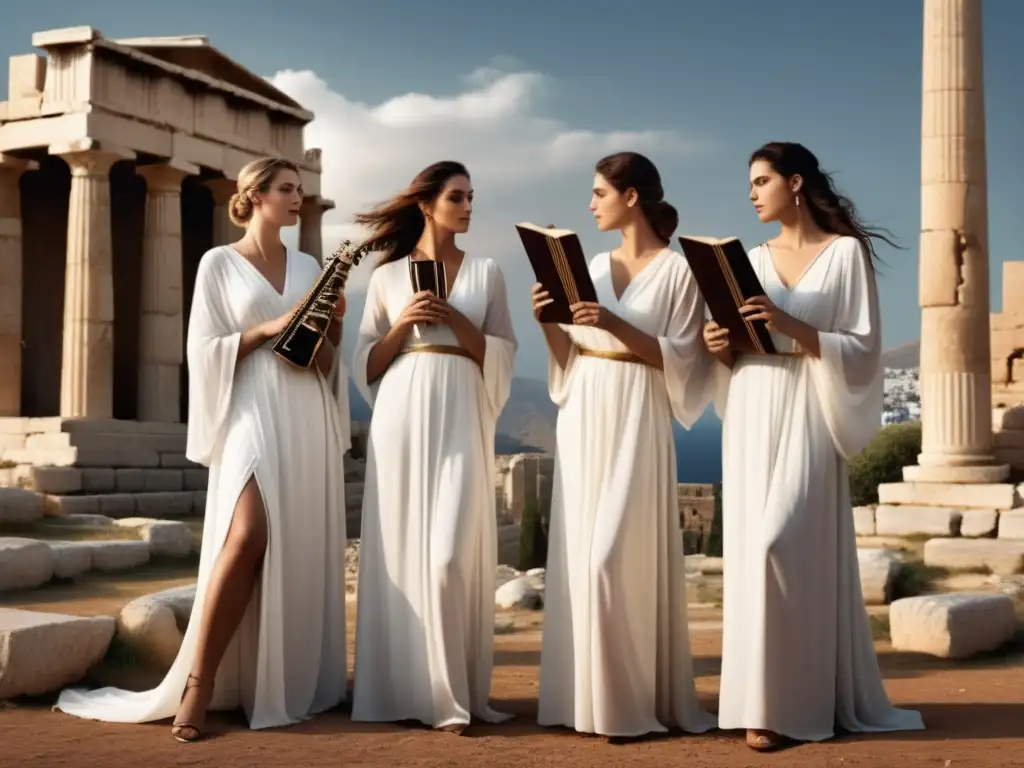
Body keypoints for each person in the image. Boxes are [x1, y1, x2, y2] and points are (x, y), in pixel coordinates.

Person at [54, 157, 352, 741]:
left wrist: (330, 324)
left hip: (302, 412)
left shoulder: (312, 265)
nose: (298, 199)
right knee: (246, 536)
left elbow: (324, 363)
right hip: (248, 408)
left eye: (300, 189)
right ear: (257, 195)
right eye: (287, 189)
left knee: (289, 541)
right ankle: (199, 684)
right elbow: (204, 350)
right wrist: (271, 326)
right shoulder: (219, 263)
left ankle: (281, 680)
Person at [703, 141, 925, 751]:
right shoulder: (749, 258)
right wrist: (718, 340)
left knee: (781, 540)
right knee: (755, 553)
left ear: (795, 184)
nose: (752, 193)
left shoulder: (844, 255)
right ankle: (760, 705)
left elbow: (863, 347)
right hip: (751, 402)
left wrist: (787, 322)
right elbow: (733, 352)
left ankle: (798, 702)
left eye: (762, 180)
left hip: (808, 405)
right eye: (749, 183)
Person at [534, 151, 717, 740]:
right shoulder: (588, 263)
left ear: (630, 196)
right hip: (585, 409)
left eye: (598, 193)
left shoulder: (680, 272)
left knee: (611, 556)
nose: (589, 205)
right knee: (582, 559)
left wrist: (613, 324)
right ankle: (586, 701)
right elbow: (568, 359)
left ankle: (629, 703)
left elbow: (686, 361)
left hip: (638, 412)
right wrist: (546, 323)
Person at [349, 160, 517, 734]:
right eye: (457, 197)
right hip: (400, 414)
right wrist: (402, 328)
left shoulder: (487, 272)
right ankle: (404, 691)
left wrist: (455, 319)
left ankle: (452, 695)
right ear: (427, 203)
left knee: (447, 556)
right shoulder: (388, 277)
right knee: (400, 551)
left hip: (461, 413)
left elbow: (501, 353)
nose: (468, 206)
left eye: (472, 196)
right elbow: (366, 366)